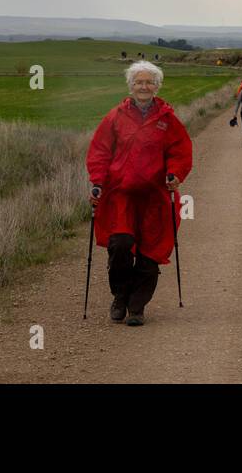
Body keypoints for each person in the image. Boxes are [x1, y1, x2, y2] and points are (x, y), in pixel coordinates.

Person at [86, 61, 192, 327]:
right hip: (120, 195)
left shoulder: (167, 120)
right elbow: (100, 151)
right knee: (120, 244)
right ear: (131, 86)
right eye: (139, 82)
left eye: (148, 82)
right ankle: (120, 297)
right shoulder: (115, 117)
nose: (143, 87)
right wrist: (97, 182)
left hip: (155, 196)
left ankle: (137, 306)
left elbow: (180, 151)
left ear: (157, 86)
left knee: (150, 251)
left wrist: (175, 173)